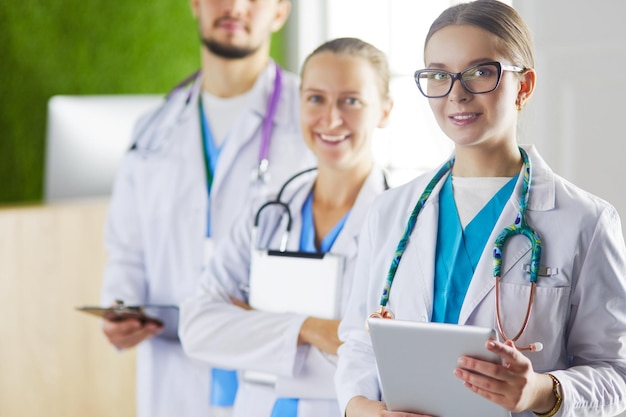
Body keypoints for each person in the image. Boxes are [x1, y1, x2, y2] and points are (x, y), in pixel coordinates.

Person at [335, 1, 626, 417]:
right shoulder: (391, 211)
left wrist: (541, 391)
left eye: (480, 72)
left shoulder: (586, 221)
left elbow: (617, 374)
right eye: (439, 74)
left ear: (523, 86)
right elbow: (359, 343)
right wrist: (360, 408)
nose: (457, 92)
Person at [99, 1, 315, 416]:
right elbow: (126, 247)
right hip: (175, 374)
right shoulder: (154, 127)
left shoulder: (312, 116)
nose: (234, 6)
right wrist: (120, 308)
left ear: (280, 12)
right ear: (195, 4)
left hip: (274, 371)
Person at [179, 37, 393, 417]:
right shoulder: (267, 213)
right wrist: (311, 329)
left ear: (385, 110)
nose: (330, 118)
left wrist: (253, 325)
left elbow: (391, 355)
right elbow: (196, 328)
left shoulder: (405, 222)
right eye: (315, 98)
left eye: (352, 100)